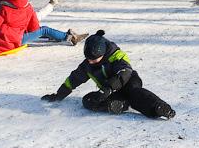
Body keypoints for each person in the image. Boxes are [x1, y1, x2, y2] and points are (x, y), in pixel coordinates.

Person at [41, 30, 176, 119]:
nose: (90, 61)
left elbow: (125, 72)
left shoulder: (116, 56)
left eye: (94, 59)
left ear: (103, 53)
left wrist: (109, 87)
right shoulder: (88, 65)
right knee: (88, 100)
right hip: (109, 91)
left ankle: (160, 107)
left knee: (135, 94)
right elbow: (73, 80)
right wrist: (58, 96)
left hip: (128, 82)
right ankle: (120, 104)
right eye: (88, 58)